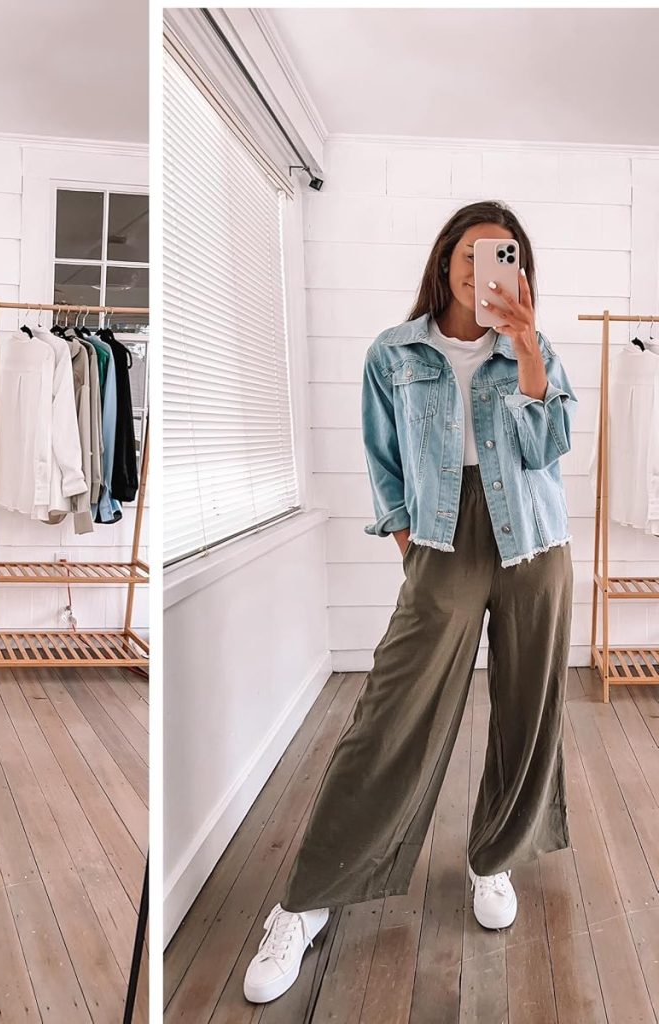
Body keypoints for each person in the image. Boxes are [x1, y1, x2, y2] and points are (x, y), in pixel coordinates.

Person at [243, 200, 577, 1004]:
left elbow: (549, 446)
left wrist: (527, 346)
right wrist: (412, 544)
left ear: (520, 271)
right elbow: (383, 460)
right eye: (471, 256)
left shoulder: (533, 347)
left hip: (534, 540)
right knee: (390, 717)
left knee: (528, 707)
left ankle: (494, 858)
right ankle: (309, 897)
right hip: (442, 541)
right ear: (445, 261)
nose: (482, 272)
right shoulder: (393, 352)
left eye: (502, 256)